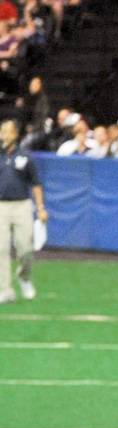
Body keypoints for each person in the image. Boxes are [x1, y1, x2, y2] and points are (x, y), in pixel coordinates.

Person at [0, 118, 44, 303]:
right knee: (1, 249)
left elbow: (35, 183)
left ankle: (24, 276)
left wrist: (41, 207)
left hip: (22, 205)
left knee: (25, 248)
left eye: (7, 131)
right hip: (1, 206)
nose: (3, 134)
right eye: (2, 130)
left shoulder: (25, 156)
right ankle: (5, 289)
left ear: (16, 134)